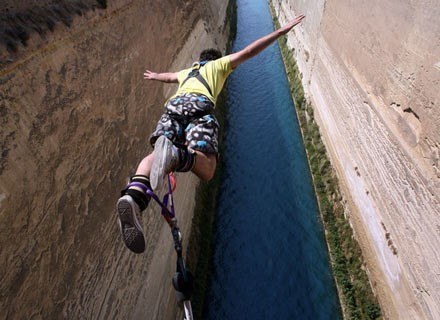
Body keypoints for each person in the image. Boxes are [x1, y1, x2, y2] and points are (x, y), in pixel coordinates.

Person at [117, 15, 306, 253]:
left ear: (199, 60)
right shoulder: (219, 65)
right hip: (200, 106)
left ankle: (133, 197)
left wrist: (155, 76)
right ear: (216, 60)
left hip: (174, 105)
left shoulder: (188, 71)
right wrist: (280, 32)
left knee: (154, 154)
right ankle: (176, 155)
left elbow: (169, 77)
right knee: (206, 169)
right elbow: (248, 51)